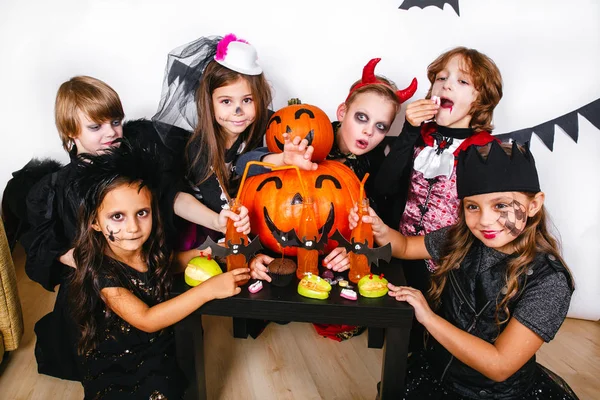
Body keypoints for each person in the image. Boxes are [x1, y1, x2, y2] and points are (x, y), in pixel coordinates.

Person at [17, 75, 249, 381]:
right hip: (101, 287)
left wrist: (215, 219)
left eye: (115, 122)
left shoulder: (133, 165)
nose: (111, 133)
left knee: (168, 347)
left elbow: (169, 197)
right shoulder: (59, 188)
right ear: (70, 133)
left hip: (147, 273)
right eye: (96, 127)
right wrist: (87, 260)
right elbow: (46, 245)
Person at [352, 141, 578, 399]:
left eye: (501, 205)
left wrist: (428, 318)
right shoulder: (460, 239)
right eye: (472, 206)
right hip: (438, 373)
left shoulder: (549, 280)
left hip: (495, 394)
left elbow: (499, 365)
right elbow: (404, 246)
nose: (484, 220)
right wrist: (378, 228)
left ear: (534, 204)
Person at [244, 58, 416, 341]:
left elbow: (375, 220)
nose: (368, 132)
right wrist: (282, 158)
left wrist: (355, 252)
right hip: (288, 240)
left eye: (381, 126)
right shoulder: (311, 133)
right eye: (361, 118)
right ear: (342, 111)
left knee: (346, 309)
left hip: (335, 249)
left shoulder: (375, 164)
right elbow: (247, 164)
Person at [69, 143, 250, 399]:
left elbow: (169, 263)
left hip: (157, 348)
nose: (133, 227)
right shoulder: (103, 273)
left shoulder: (147, 247)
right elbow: (147, 319)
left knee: (172, 383)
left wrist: (208, 253)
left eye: (142, 213)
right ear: (95, 222)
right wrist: (208, 291)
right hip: (120, 365)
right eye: (117, 217)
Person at [373, 47, 503, 351]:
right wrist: (408, 130)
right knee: (406, 333)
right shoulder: (420, 137)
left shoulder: (486, 150)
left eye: (462, 82)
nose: (445, 85)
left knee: (442, 334)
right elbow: (384, 186)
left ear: (481, 98)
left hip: (452, 265)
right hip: (402, 250)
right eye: (441, 78)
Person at [152, 34, 273, 250]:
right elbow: (215, 201)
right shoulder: (198, 147)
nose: (238, 112)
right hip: (205, 223)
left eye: (247, 100)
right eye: (226, 101)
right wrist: (230, 221)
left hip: (240, 219)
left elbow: (254, 165)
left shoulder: (262, 128)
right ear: (209, 103)